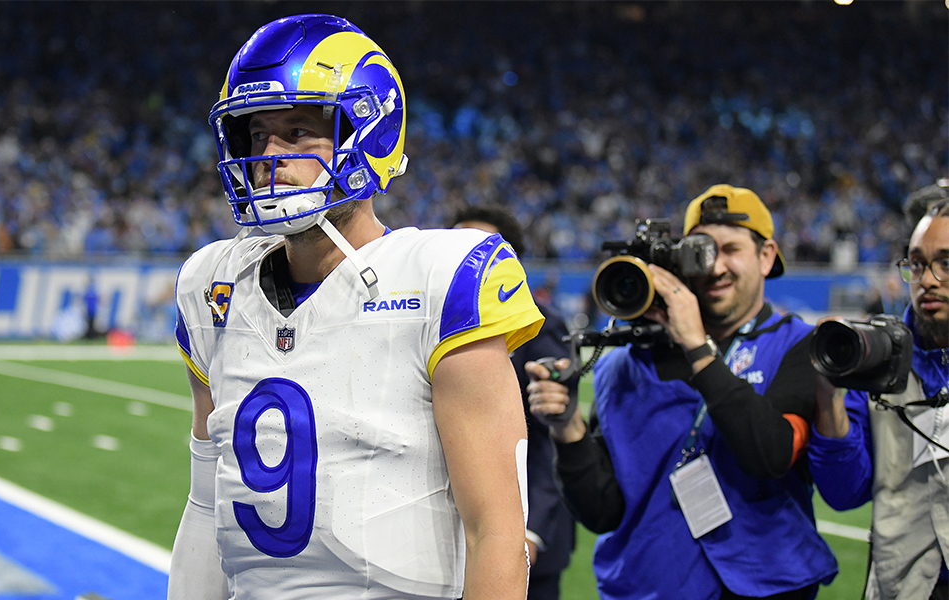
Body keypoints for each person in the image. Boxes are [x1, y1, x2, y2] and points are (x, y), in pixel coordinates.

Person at [167, 14, 542, 600]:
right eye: (256, 134)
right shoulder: (214, 285)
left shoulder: (441, 280)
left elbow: (495, 531)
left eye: (297, 132)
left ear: (367, 134)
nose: (269, 155)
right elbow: (203, 503)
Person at [527, 184, 838, 600]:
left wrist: (697, 347)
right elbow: (603, 511)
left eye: (731, 249)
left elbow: (770, 455)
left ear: (766, 257)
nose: (714, 267)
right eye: (701, 250)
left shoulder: (799, 345)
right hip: (649, 584)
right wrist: (568, 430)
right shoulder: (626, 363)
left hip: (765, 586)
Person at [808, 197, 949, 600]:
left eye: (947, 263)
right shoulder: (877, 360)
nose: (928, 280)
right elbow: (844, 491)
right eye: (917, 263)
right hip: (903, 589)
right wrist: (828, 394)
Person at [450, 205, 576, 600]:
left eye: (481, 248)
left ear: (511, 264)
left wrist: (530, 528)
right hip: (452, 539)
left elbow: (549, 435)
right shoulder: (428, 328)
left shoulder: (538, 325)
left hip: (525, 539)